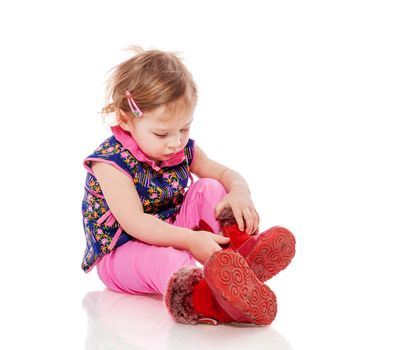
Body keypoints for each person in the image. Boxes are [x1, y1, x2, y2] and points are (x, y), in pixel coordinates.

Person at [81, 47, 296, 325]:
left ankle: (238, 255)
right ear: (126, 119)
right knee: (165, 261)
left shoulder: (180, 150)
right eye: (162, 133)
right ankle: (204, 298)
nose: (175, 142)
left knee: (210, 188)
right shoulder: (110, 164)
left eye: (184, 129)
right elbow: (134, 222)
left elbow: (225, 173)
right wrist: (190, 241)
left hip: (175, 232)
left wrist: (240, 192)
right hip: (123, 253)